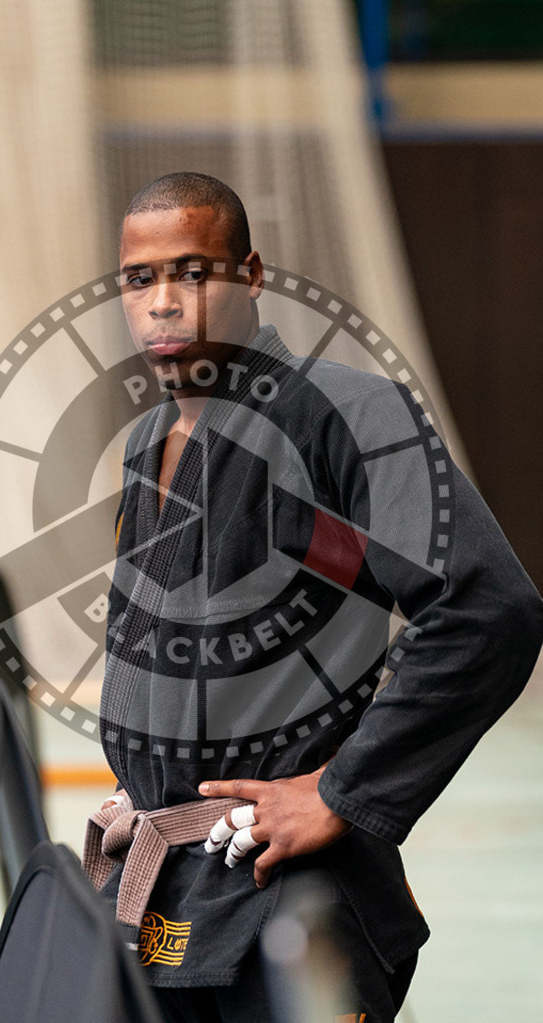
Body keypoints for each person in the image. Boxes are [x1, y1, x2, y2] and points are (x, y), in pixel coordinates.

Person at [83, 172, 543, 1022]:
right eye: (139, 278)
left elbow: (485, 608)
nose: (162, 302)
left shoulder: (350, 414)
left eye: (193, 271)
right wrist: (146, 781)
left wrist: (340, 790)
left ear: (251, 275)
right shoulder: (150, 440)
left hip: (286, 891)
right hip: (172, 895)